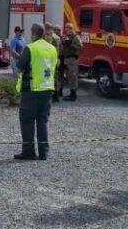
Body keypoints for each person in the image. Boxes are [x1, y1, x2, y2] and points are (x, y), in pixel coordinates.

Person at [14, 23, 58, 161]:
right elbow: (54, 65)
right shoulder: (52, 48)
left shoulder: (30, 48)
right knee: (42, 121)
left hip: (32, 90)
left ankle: (29, 152)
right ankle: (44, 152)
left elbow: (20, 65)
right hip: (48, 89)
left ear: (33, 33)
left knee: (27, 121)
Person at [60, 23, 84, 101]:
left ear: (72, 29)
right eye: (66, 28)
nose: (67, 30)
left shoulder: (75, 37)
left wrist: (72, 44)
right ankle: (71, 93)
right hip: (66, 59)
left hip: (72, 59)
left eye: (69, 28)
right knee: (69, 76)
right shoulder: (67, 37)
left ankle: (73, 95)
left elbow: (81, 47)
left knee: (73, 76)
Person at [44, 23, 62, 103]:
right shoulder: (57, 37)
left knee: (49, 78)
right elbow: (61, 49)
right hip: (56, 59)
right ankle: (56, 96)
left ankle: (51, 96)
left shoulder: (48, 37)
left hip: (49, 60)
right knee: (56, 77)